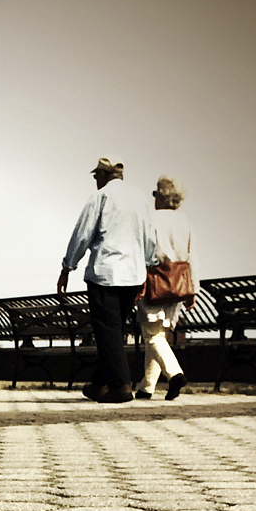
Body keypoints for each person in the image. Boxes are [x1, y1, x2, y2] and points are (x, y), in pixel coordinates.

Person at [57, 155, 156, 403]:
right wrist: (145, 268)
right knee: (114, 329)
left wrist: (67, 267)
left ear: (102, 176)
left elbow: (82, 235)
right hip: (133, 274)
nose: (95, 181)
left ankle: (121, 386)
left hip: (106, 274)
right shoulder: (140, 199)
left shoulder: (100, 197)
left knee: (107, 330)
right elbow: (150, 238)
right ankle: (99, 383)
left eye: (95, 176)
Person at [135, 175, 198, 400]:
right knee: (160, 334)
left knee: (151, 334)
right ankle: (147, 385)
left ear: (161, 196)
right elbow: (192, 257)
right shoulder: (185, 222)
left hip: (155, 280)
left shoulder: (150, 219)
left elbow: (145, 252)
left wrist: (138, 281)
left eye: (155, 193)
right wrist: (193, 290)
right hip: (178, 283)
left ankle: (175, 374)